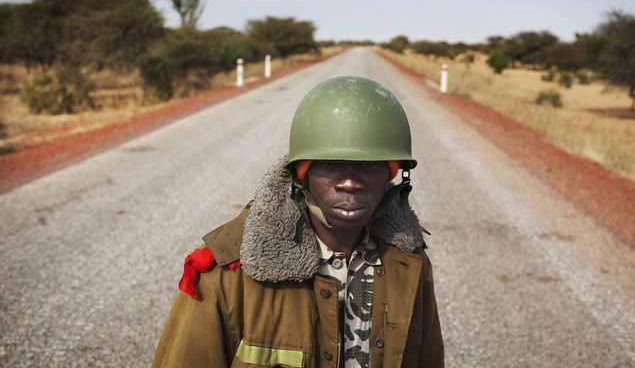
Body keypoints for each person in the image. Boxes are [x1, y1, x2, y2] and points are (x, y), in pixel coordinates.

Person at [152, 76, 443, 368]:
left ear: (392, 175)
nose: (351, 182)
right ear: (301, 174)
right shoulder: (226, 275)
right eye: (332, 163)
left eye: (370, 165)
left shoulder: (409, 264)